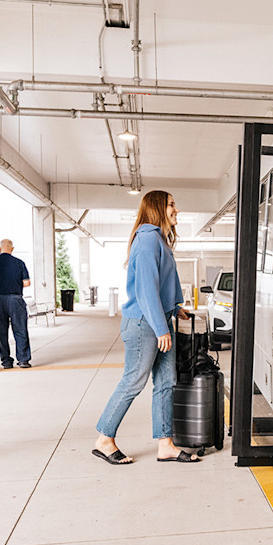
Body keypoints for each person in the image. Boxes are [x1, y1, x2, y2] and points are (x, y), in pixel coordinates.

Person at [92, 190, 198, 466]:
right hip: (144, 324)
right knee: (133, 380)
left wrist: (175, 308)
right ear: (158, 207)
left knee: (165, 381)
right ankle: (104, 438)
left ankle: (165, 445)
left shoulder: (158, 239)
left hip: (159, 319)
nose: (177, 209)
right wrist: (162, 328)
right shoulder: (148, 239)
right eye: (172, 204)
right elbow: (145, 289)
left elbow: (161, 284)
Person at [0, 239, 32, 368]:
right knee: (20, 329)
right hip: (16, 300)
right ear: (12, 249)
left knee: (1, 331)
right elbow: (26, 283)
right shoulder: (19, 263)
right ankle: (23, 360)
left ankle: (6, 361)